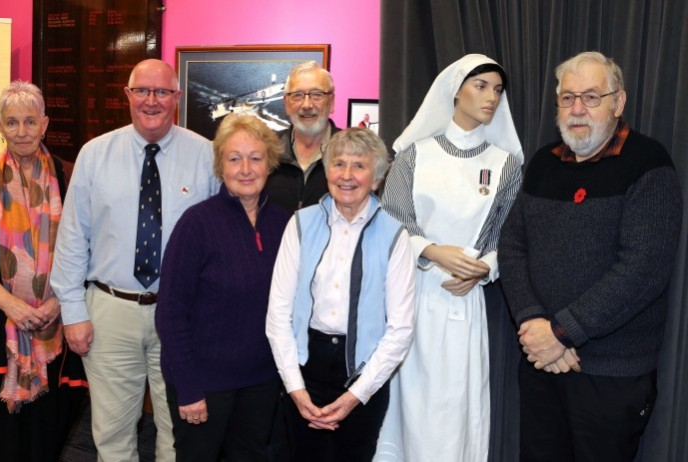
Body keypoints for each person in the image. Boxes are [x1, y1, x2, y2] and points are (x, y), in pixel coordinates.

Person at [498, 51, 683, 461]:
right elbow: (511, 246)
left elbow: (643, 271)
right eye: (567, 98)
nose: (577, 109)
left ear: (618, 103)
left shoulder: (648, 164)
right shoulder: (544, 164)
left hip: (612, 375)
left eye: (592, 97)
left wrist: (561, 333)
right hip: (542, 364)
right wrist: (533, 322)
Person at [51, 59, 218, 461]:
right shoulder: (95, 155)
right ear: (126, 95)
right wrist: (73, 313)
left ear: (176, 98)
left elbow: (218, 246)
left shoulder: (207, 156)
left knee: (178, 428)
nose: (151, 101)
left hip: (180, 316)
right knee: (111, 431)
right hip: (110, 312)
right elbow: (73, 239)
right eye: (141, 90)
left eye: (161, 92)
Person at [375, 54, 523, 462]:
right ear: (455, 90)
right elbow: (390, 224)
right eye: (481, 86)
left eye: (497, 89)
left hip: (464, 302)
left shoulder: (505, 165)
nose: (491, 97)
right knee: (410, 405)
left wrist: (482, 269)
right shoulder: (413, 156)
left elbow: (509, 238)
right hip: (413, 298)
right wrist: (434, 252)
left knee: (458, 407)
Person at [0, 81, 87, 462]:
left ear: (45, 124)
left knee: (47, 433)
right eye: (12, 122)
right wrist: (12, 305)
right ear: (0, 127)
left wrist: (57, 303)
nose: (21, 131)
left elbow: (92, 247)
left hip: (55, 327)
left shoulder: (70, 178)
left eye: (29, 122)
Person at [266, 128, 416, 462]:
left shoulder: (395, 235)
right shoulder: (300, 224)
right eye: (339, 164)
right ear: (327, 170)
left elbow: (401, 328)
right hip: (306, 368)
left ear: (375, 179)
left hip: (363, 373)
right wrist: (295, 388)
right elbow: (278, 314)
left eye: (359, 166)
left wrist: (354, 396)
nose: (347, 175)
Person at [155, 114, 290, 461]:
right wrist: (188, 388)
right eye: (234, 158)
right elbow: (170, 314)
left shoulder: (283, 224)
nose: (245, 168)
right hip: (204, 384)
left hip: (261, 382)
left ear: (270, 164)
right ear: (220, 166)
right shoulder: (196, 224)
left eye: (256, 158)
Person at [264, 61, 339, 213]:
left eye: (317, 95)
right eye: (297, 96)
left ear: (331, 102)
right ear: (286, 103)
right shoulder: (266, 151)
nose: (306, 105)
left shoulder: (353, 153)